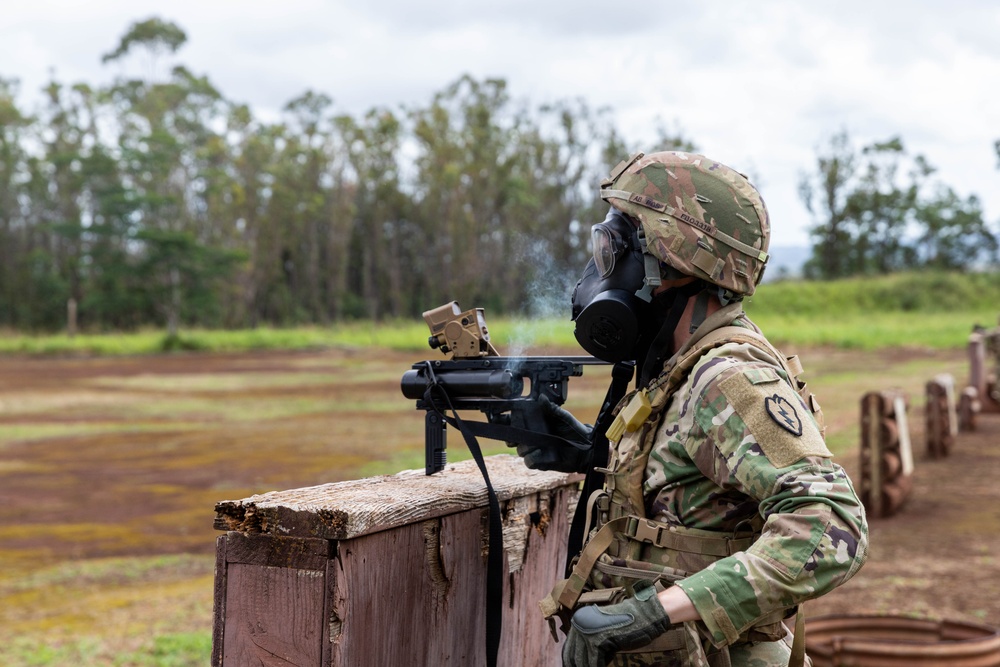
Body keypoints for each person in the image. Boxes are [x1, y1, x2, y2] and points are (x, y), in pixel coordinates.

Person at [516, 151, 869, 667]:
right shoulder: (681, 363)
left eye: (612, 250)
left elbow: (833, 523)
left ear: (670, 262)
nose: (600, 269)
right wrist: (587, 453)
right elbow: (694, 493)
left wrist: (654, 614)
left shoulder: (728, 376)